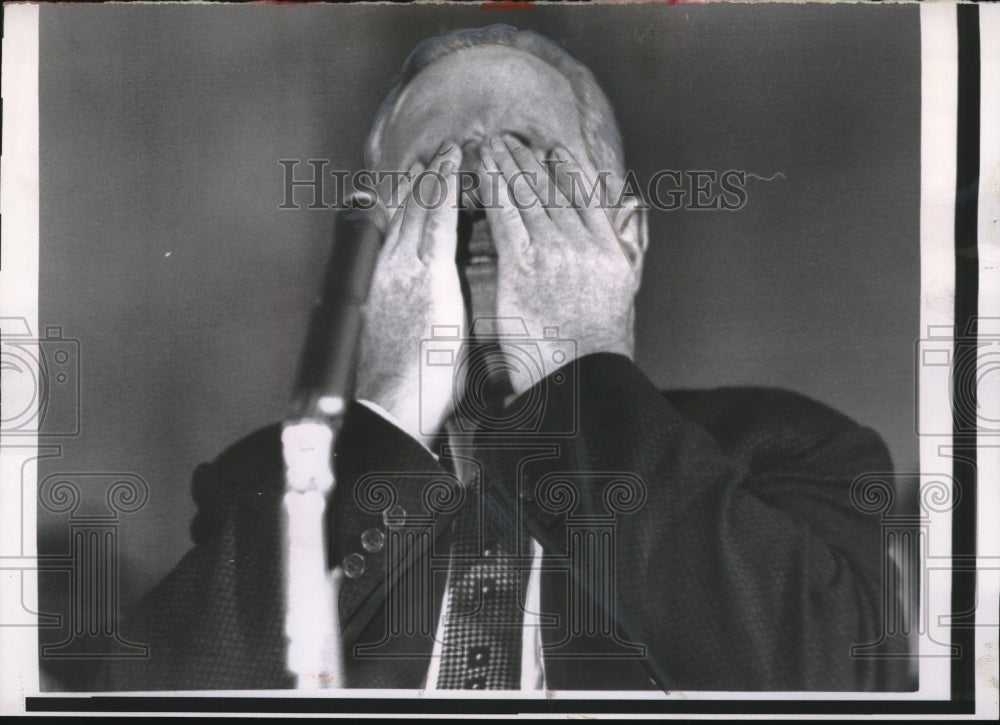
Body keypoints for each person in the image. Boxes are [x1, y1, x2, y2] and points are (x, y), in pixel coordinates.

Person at [101, 24, 908, 692]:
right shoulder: (281, 482)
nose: (482, 201)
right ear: (376, 255)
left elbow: (835, 688)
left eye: (534, 173)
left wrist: (578, 370)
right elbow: (147, 700)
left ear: (624, 242)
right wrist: (385, 410)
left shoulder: (792, 449)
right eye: (431, 181)